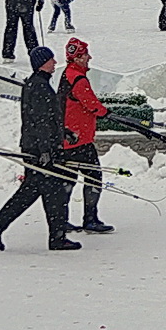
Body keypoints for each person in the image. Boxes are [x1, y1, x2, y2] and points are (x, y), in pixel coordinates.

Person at [0, 46, 80, 252]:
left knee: (33, 193)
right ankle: (57, 238)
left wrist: (65, 132)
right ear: (42, 63)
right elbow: (40, 121)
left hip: (37, 149)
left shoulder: (38, 84)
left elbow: (48, 120)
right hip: (40, 151)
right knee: (53, 194)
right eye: (51, 60)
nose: (55, 63)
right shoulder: (39, 87)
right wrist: (46, 150)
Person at [58, 38, 113, 233]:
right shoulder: (79, 79)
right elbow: (92, 105)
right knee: (94, 177)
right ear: (78, 57)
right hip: (79, 139)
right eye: (86, 54)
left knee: (67, 179)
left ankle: (60, 219)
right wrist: (106, 112)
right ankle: (90, 218)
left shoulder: (67, 74)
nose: (89, 57)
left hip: (67, 137)